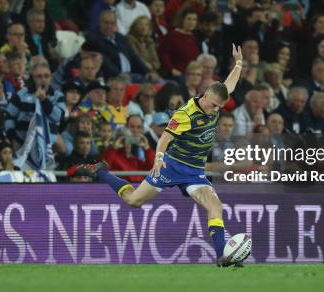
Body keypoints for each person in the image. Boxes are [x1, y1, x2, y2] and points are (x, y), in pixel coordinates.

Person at [68, 44, 247, 267]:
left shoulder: (216, 101)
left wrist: (238, 64)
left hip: (194, 172)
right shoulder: (185, 114)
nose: (214, 110)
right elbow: (165, 138)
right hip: (172, 166)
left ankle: (222, 257)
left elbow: (229, 85)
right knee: (133, 200)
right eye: (213, 105)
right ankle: (102, 172)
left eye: (218, 107)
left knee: (215, 206)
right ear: (206, 95)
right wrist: (159, 159)